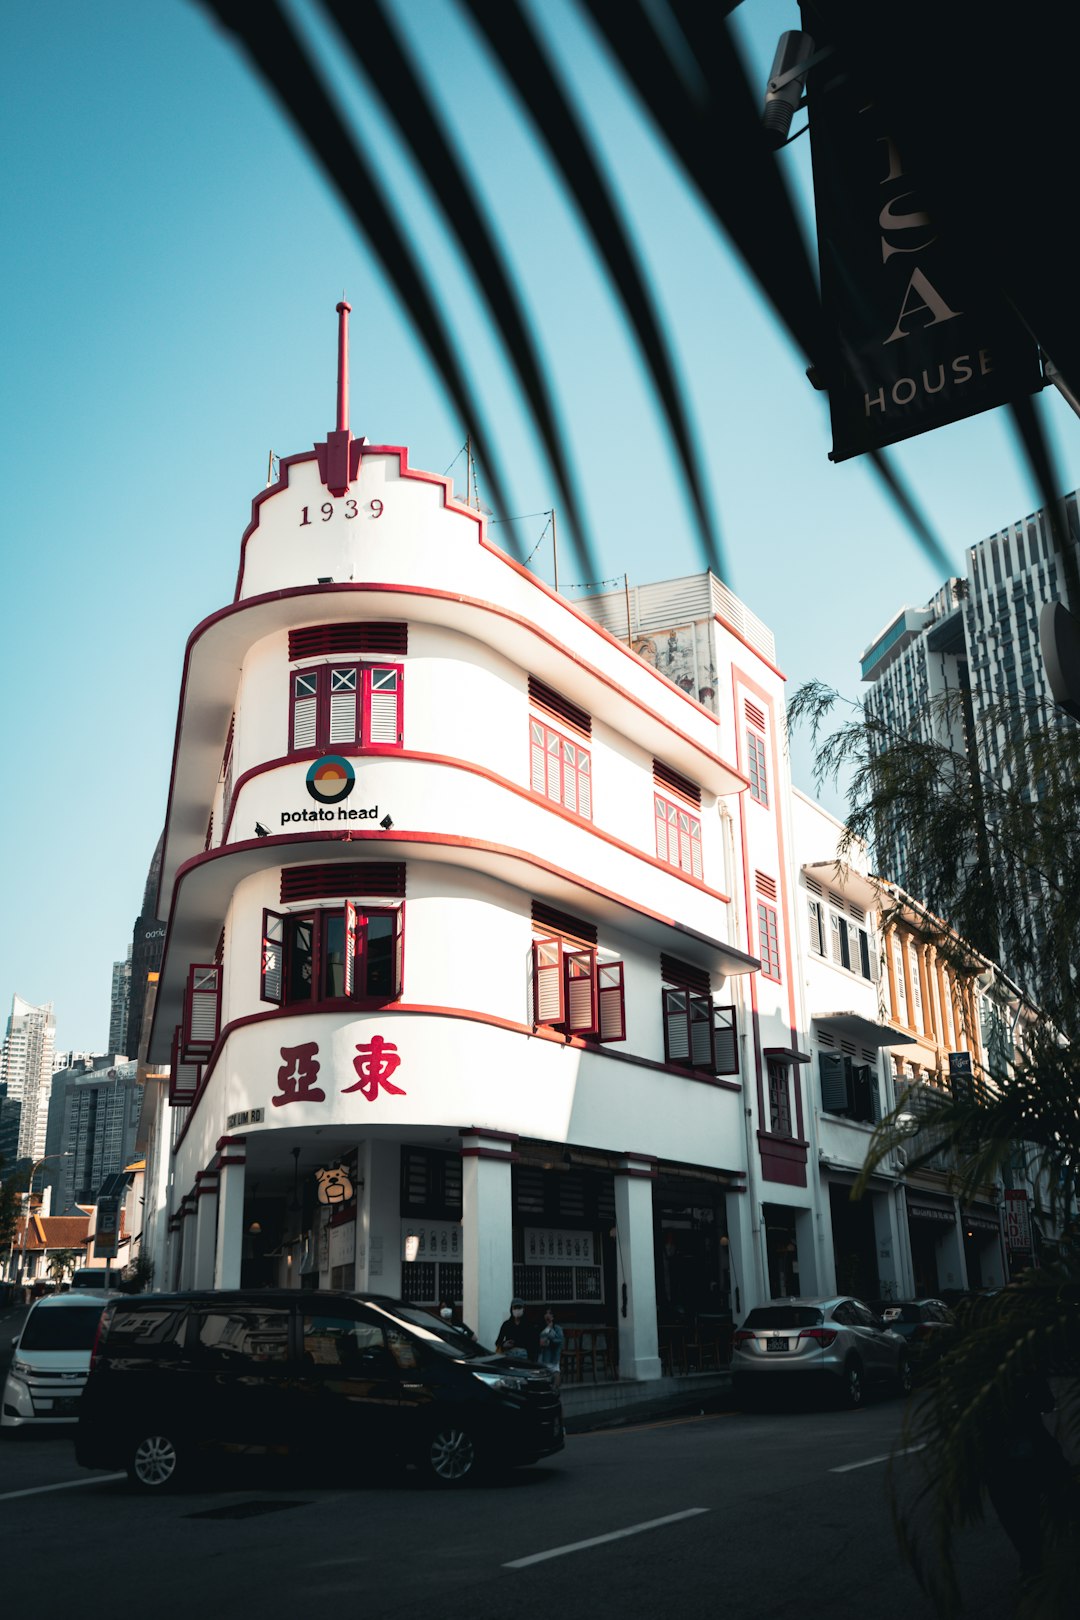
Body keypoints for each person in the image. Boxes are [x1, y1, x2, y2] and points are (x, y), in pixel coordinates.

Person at [537, 1307, 564, 1385]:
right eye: (546, 1313)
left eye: (550, 1313)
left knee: (555, 1371)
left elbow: (559, 1340)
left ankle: (555, 1389)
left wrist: (550, 1338)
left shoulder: (557, 1328)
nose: (548, 1315)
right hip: (542, 1356)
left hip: (553, 1356)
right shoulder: (540, 1327)